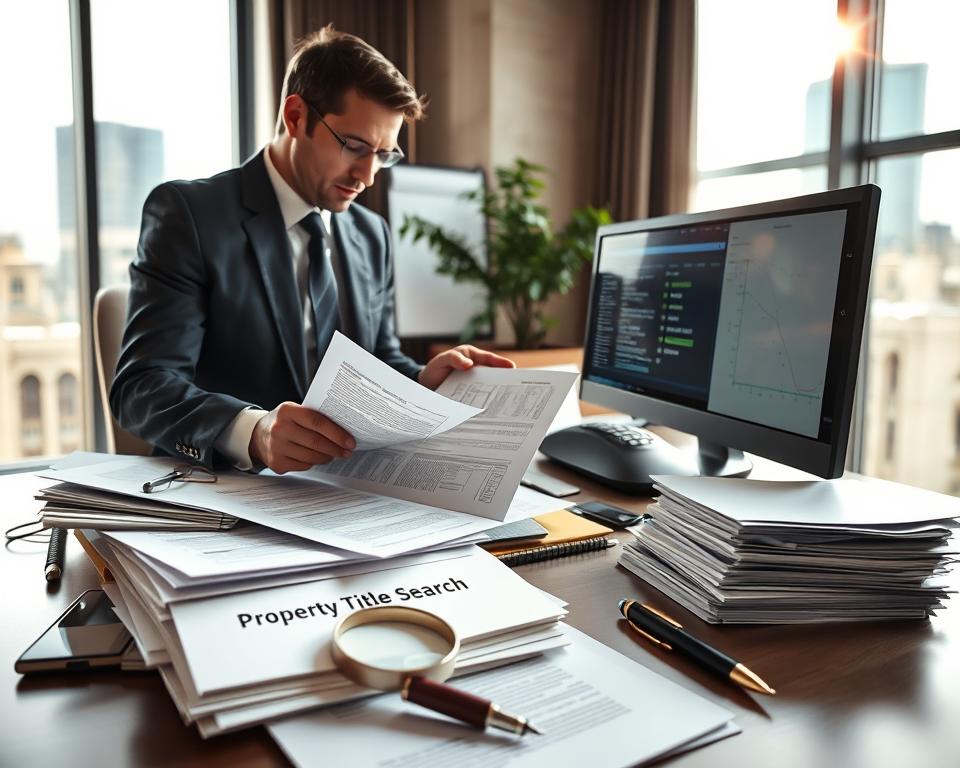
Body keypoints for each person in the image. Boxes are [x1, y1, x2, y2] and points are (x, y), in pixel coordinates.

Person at [110, 26, 513, 474]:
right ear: (296, 116)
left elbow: (374, 360)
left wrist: (421, 379)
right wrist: (254, 431)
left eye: (384, 154)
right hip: (225, 494)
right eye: (354, 146)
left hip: (345, 493)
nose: (368, 175)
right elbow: (142, 387)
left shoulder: (370, 233)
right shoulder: (190, 214)